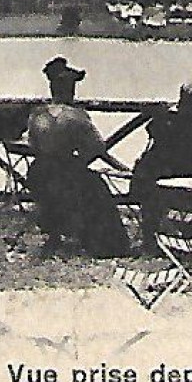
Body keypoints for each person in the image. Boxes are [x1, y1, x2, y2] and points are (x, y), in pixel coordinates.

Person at [25, 58, 130, 258]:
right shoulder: (77, 116)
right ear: (69, 90)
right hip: (65, 172)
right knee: (96, 187)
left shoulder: (36, 115)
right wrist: (122, 169)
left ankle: (55, 235)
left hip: (39, 173)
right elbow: (97, 148)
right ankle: (108, 246)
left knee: (70, 185)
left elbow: (34, 145)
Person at [130, 82, 192, 251]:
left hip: (155, 180)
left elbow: (150, 129)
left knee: (156, 200)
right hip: (187, 181)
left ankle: (151, 239)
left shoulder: (165, 120)